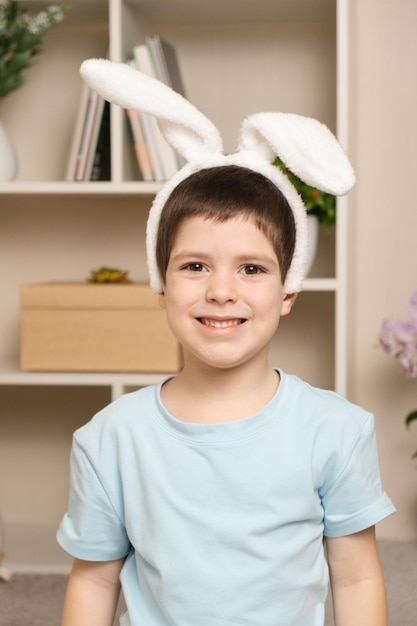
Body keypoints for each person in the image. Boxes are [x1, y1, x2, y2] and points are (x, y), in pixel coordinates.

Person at [57, 60, 395, 626]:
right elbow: (94, 579)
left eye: (251, 270)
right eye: (194, 265)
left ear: (288, 291)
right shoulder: (110, 440)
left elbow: (357, 576)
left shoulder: (336, 432)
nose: (220, 291)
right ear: (161, 284)